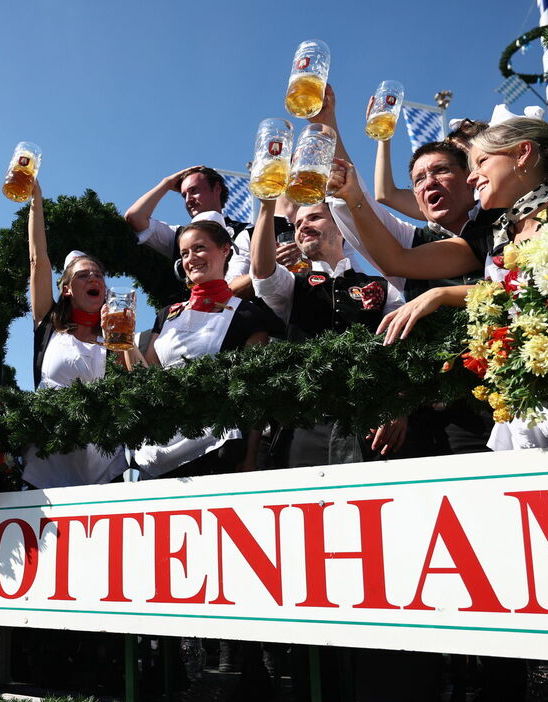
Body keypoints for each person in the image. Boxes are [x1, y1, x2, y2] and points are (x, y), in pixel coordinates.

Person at [337, 116, 548, 450]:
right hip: (528, 404)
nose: (473, 177)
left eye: (482, 162)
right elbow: (397, 260)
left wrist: (443, 293)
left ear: (522, 154)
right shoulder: (495, 236)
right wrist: (353, 197)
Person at [251, 197, 407, 465]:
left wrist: (399, 405)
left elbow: (401, 349)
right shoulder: (293, 285)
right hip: (303, 429)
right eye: (297, 224)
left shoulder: (383, 287)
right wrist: (266, 206)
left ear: (341, 227)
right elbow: (262, 272)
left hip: (368, 426)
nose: (303, 226)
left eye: (314, 217)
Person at [128, 219, 284, 478]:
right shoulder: (167, 314)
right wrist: (123, 342)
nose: (191, 259)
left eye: (199, 248)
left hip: (216, 449)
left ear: (225, 250)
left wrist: (250, 457)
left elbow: (255, 393)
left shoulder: (248, 315)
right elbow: (147, 377)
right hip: (159, 448)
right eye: (184, 253)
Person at [19, 180, 127, 489]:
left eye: (98, 275)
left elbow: (133, 388)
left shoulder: (117, 336)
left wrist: (121, 339)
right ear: (66, 289)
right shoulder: (49, 324)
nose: (94, 278)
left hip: (104, 473)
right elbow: (38, 260)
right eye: (83, 275)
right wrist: (36, 200)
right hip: (45, 469)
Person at [124, 166, 254, 297]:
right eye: (184, 195)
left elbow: (237, 285)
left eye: (194, 191)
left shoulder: (247, 231)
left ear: (217, 188)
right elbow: (135, 217)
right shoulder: (180, 236)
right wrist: (167, 183)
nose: (188, 200)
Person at [373, 118, 490, 221]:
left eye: (462, 152)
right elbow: (386, 194)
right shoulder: (447, 200)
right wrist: (384, 137)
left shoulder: (496, 191)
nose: (429, 183)